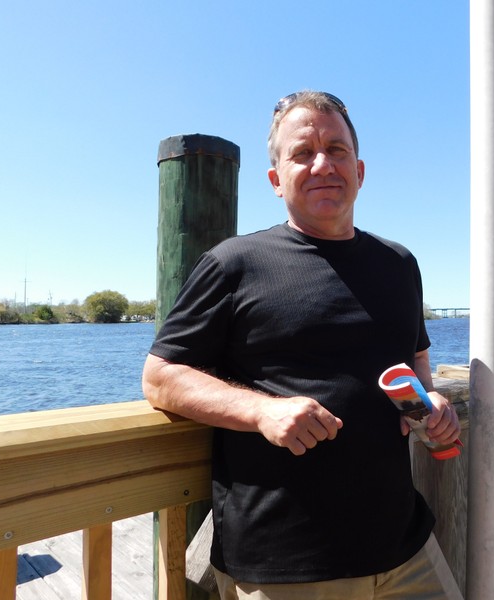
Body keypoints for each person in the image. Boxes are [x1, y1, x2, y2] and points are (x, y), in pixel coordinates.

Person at [142, 90, 462, 600]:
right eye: (302, 153)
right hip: (286, 565)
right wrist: (263, 413)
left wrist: (431, 399)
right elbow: (160, 377)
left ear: (359, 169)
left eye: (336, 150)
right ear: (275, 180)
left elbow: (415, 359)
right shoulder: (234, 263)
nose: (323, 164)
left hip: (405, 548)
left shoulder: (400, 264)